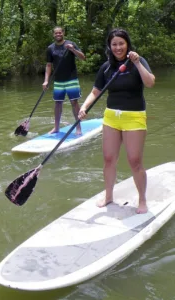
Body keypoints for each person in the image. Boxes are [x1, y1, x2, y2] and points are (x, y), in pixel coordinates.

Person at [78, 28, 155, 214]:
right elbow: (96, 90)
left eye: (121, 43)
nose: (118, 47)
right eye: (114, 44)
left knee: (134, 161)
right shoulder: (106, 67)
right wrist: (84, 107)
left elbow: (150, 82)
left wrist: (137, 63)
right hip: (111, 117)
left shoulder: (139, 61)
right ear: (110, 47)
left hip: (134, 117)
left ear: (127, 44)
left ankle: (142, 200)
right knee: (109, 159)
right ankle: (109, 195)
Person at [42, 26, 86, 135]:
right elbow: (48, 65)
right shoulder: (50, 48)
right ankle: (56, 128)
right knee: (57, 103)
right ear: (53, 35)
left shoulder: (71, 44)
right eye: (56, 33)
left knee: (74, 102)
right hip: (58, 81)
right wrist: (46, 81)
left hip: (71, 79)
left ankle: (78, 128)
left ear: (63, 33)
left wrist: (73, 49)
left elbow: (83, 57)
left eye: (60, 32)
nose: (58, 34)